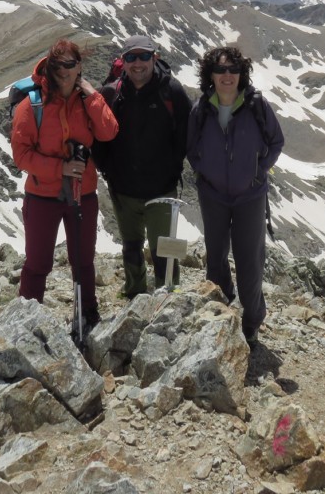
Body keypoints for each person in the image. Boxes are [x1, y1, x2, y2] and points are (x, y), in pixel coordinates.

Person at [11, 38, 119, 327]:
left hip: (82, 194)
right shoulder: (31, 105)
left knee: (83, 261)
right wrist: (62, 167)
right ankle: (25, 322)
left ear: (79, 66)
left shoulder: (87, 101)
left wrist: (92, 94)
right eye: (57, 65)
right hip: (42, 197)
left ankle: (87, 315)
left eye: (70, 65)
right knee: (37, 264)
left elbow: (109, 131)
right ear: (49, 67)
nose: (63, 71)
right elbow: (21, 155)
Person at [186, 45, 284, 348]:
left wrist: (259, 172)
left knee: (249, 261)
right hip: (213, 194)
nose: (227, 75)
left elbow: (276, 141)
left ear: (241, 74)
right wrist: (204, 172)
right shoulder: (202, 108)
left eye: (233, 70)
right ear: (211, 75)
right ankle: (221, 303)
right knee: (215, 257)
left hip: (250, 196)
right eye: (220, 70)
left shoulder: (256, 105)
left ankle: (252, 321)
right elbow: (191, 148)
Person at [94, 35, 192, 298]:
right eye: (131, 57)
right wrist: (108, 170)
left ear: (154, 58)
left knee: (165, 249)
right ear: (122, 62)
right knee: (131, 246)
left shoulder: (172, 92)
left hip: (161, 189)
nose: (138, 63)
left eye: (144, 56)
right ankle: (134, 297)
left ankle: (168, 299)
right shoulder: (111, 94)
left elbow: (186, 137)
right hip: (123, 189)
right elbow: (98, 139)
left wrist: (171, 170)